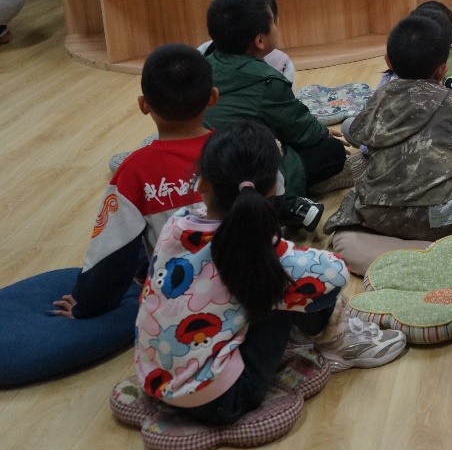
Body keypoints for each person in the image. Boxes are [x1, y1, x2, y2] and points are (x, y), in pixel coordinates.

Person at [133, 122, 406, 424]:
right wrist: (286, 254)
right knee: (295, 283)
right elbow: (335, 274)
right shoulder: (259, 251)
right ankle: (339, 342)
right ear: (273, 189)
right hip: (225, 400)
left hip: (154, 377)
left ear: (201, 184)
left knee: (271, 281)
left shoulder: (175, 225)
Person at [52, 45, 214, 320]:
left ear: (143, 105)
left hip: (180, 300)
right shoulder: (242, 148)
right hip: (249, 283)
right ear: (213, 97)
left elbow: (111, 252)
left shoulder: (134, 171)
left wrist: (87, 304)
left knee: (134, 237)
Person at [323, 15, 452, 241]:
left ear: (388, 61)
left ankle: (360, 173)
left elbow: (359, 132)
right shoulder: (451, 102)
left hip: (382, 217)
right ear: (442, 71)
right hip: (448, 218)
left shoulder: (379, 97)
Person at [203, 0, 359, 197]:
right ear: (260, 40)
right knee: (333, 151)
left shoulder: (204, 62)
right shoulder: (267, 80)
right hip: (251, 176)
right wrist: (322, 132)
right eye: (274, 22)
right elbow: (300, 130)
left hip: (209, 164)